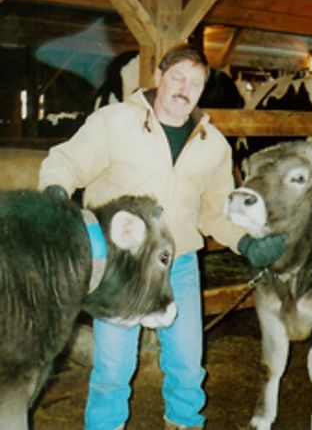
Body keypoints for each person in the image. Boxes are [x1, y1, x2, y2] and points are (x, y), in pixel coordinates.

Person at [38, 44, 287, 430]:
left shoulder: (214, 146)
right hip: (122, 266)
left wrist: (248, 243)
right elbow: (65, 161)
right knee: (113, 367)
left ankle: (183, 423)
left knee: (188, 364)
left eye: (195, 83)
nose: (184, 89)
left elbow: (216, 212)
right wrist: (56, 192)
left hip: (180, 263)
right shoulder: (114, 122)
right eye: (177, 78)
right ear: (158, 78)